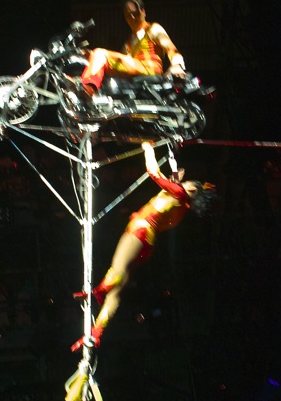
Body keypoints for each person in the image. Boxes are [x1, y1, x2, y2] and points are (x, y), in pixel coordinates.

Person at [71, 141, 217, 352]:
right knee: (117, 291)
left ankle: (97, 292)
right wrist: (174, 165)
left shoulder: (179, 193)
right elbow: (170, 187)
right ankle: (96, 333)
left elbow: (153, 173)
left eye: (186, 183)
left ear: (192, 189)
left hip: (139, 232)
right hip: (147, 242)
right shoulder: (182, 206)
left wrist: (148, 149)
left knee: (117, 270)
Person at [80, 0, 186, 96]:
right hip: (134, 72)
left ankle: (88, 88)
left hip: (150, 69)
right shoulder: (129, 42)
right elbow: (117, 63)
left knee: (100, 53)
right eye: (128, 15)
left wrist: (177, 65)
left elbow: (171, 48)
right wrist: (91, 55)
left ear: (143, 11)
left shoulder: (153, 29)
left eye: (135, 13)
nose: (132, 18)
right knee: (94, 57)